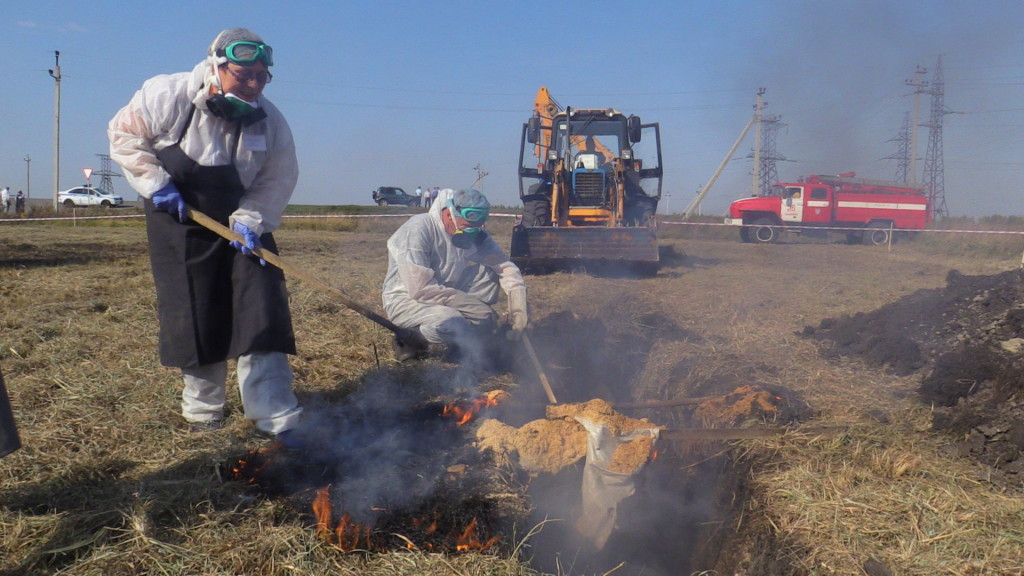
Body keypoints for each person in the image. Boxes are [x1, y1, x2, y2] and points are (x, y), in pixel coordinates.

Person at [107, 28, 303, 446]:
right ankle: (204, 411)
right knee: (195, 309)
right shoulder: (167, 94)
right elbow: (124, 136)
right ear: (217, 65)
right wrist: (155, 182)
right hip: (179, 215)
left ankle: (274, 414)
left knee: (261, 308)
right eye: (243, 74)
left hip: (245, 222)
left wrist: (252, 217)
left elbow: (277, 176)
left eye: (262, 77)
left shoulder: (270, 120)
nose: (253, 86)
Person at [382, 188, 529, 363]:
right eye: (467, 227)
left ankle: (463, 342)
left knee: (490, 272)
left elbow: (505, 267)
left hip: (445, 292)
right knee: (452, 322)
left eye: (476, 228)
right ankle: (412, 340)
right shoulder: (419, 228)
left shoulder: (475, 233)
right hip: (407, 299)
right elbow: (419, 288)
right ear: (448, 213)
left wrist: (519, 308)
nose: (471, 234)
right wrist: (472, 306)